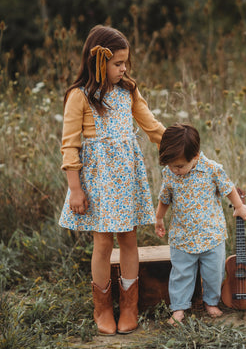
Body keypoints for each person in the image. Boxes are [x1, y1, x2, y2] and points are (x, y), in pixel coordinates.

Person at [59, 24, 165, 336]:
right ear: (98, 62)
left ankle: (129, 304)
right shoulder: (79, 97)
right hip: (98, 182)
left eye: (125, 63)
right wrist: (75, 189)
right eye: (118, 63)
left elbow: (152, 127)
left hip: (126, 180)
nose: (124, 69)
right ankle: (103, 306)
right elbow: (70, 145)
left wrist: (185, 147)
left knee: (129, 238)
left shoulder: (128, 92)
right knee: (103, 241)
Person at [155, 124, 246, 324]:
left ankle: (211, 302)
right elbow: (165, 198)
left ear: (195, 156)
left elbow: (228, 188)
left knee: (213, 272)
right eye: (170, 165)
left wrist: (239, 206)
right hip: (182, 236)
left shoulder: (213, 169)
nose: (174, 169)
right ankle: (179, 307)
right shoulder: (169, 173)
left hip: (211, 235)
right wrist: (159, 218)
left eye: (179, 166)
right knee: (181, 273)